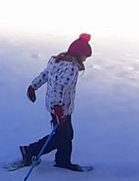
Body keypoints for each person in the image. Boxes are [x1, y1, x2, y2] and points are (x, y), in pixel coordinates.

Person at [18, 34, 92, 172]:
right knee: (61, 136)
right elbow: (59, 87)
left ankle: (62, 160)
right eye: (85, 57)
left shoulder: (57, 61)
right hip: (61, 107)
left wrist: (33, 86)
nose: (85, 60)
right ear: (78, 54)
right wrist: (59, 109)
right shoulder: (71, 68)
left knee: (66, 135)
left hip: (54, 105)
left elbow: (45, 74)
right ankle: (30, 150)